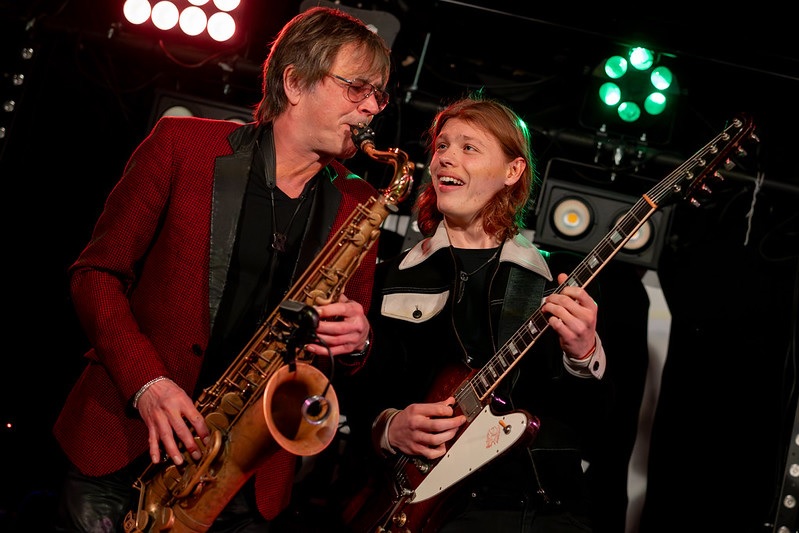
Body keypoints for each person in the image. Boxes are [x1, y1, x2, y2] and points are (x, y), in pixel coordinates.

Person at [52, 6, 392, 532]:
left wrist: (358, 341)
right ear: (295, 83)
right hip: (124, 449)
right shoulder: (180, 145)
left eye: (379, 94)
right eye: (357, 88)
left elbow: (346, 351)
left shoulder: (360, 202)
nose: (371, 107)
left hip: (243, 482)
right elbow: (96, 275)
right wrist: (148, 384)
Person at [336, 95, 612, 533]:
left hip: (528, 510)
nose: (447, 158)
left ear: (512, 171)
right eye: (442, 146)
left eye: (469, 148)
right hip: (408, 507)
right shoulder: (387, 276)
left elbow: (594, 424)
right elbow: (353, 390)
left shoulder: (554, 283)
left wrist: (583, 354)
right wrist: (386, 428)